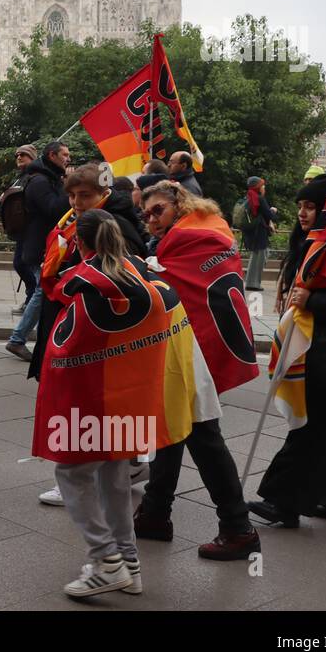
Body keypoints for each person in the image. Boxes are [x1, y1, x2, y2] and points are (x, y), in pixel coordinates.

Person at [32, 209, 193, 599]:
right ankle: (128, 562)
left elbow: (63, 318)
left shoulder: (87, 282)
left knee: (72, 473)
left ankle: (106, 560)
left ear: (82, 244)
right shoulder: (141, 272)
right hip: (132, 395)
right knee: (113, 476)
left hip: (93, 398)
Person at [134, 180, 261, 559]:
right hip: (190, 347)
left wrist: (147, 271)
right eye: (146, 214)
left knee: (203, 436)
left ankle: (238, 528)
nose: (151, 219)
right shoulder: (209, 230)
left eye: (158, 210)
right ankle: (156, 513)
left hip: (194, 351)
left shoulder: (187, 239)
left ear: (180, 203)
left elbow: (171, 289)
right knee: (172, 430)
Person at [249, 172, 326, 528]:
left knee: (309, 430)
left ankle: (282, 502)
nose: (303, 214)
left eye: (311, 206)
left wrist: (313, 300)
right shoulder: (319, 244)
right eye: (301, 206)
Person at [33, 163, 149, 506]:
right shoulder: (73, 222)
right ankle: (125, 466)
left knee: (79, 403)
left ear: (104, 193)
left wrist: (73, 277)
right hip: (74, 316)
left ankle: (78, 477)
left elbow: (121, 274)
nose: (76, 201)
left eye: (84, 195)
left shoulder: (111, 224)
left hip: (92, 327)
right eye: (71, 194)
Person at [5, 140, 70, 360]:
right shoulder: (40, 181)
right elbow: (54, 210)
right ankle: (17, 339)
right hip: (38, 247)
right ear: (52, 156)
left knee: (45, 291)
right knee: (42, 291)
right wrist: (67, 186)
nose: (68, 159)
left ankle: (39, 339)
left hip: (41, 245)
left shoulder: (45, 178)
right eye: (64, 154)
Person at [3, 143, 39, 316]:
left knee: (23, 264)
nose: (19, 157)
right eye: (17, 155)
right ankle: (32, 298)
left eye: (23, 155)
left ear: (32, 158)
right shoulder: (21, 177)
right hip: (22, 230)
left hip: (31, 230)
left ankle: (34, 298)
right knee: (22, 264)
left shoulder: (34, 177)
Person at [239, 176, 279, 292]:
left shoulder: (248, 197)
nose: (264, 187)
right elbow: (269, 215)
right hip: (259, 233)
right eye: (262, 185)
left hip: (251, 233)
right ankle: (253, 283)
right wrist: (273, 210)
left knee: (257, 256)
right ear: (258, 187)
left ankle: (252, 282)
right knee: (259, 257)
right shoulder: (258, 198)